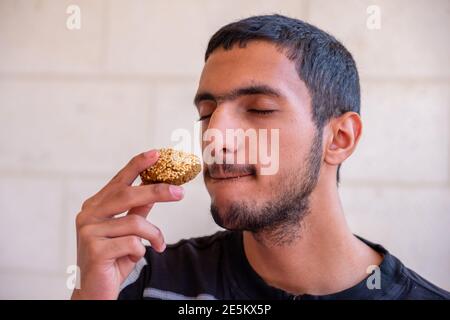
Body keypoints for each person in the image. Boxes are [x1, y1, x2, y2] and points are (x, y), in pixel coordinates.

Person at [71, 15, 449, 300]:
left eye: (259, 109)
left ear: (340, 139)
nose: (215, 136)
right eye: (206, 113)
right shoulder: (146, 279)